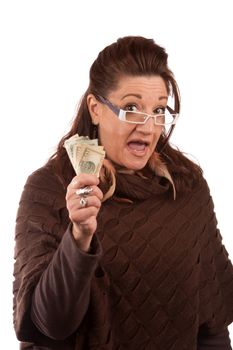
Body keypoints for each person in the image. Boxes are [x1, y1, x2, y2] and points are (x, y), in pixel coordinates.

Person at [13, 36, 233, 350]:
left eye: (158, 110)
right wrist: (79, 236)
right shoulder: (49, 188)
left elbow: (212, 327)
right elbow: (49, 325)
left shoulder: (186, 188)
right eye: (131, 108)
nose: (148, 126)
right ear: (95, 108)